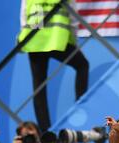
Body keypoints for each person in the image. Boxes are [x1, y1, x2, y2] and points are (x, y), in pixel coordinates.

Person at [18, 0, 89, 133]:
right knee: (82, 65)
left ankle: (46, 132)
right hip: (57, 39)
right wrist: (73, 40)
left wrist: (25, 37)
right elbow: (72, 16)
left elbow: (24, 17)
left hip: (35, 40)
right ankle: (81, 105)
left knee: (39, 86)